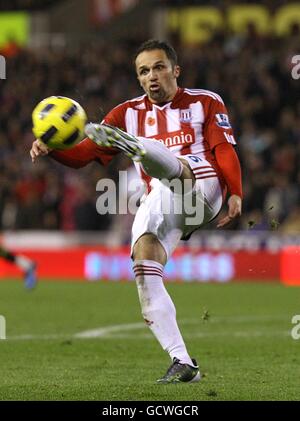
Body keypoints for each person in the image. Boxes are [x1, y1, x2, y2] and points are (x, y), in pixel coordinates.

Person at [30, 39, 242, 383]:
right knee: (143, 263)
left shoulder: (206, 101)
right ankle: (183, 361)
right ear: (139, 78)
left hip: (204, 184)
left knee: (171, 162)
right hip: (163, 198)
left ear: (176, 70)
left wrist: (237, 192)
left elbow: (223, 149)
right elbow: (83, 155)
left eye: (159, 67)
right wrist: (52, 149)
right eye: (144, 71)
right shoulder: (126, 112)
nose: (152, 76)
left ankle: (140, 148)